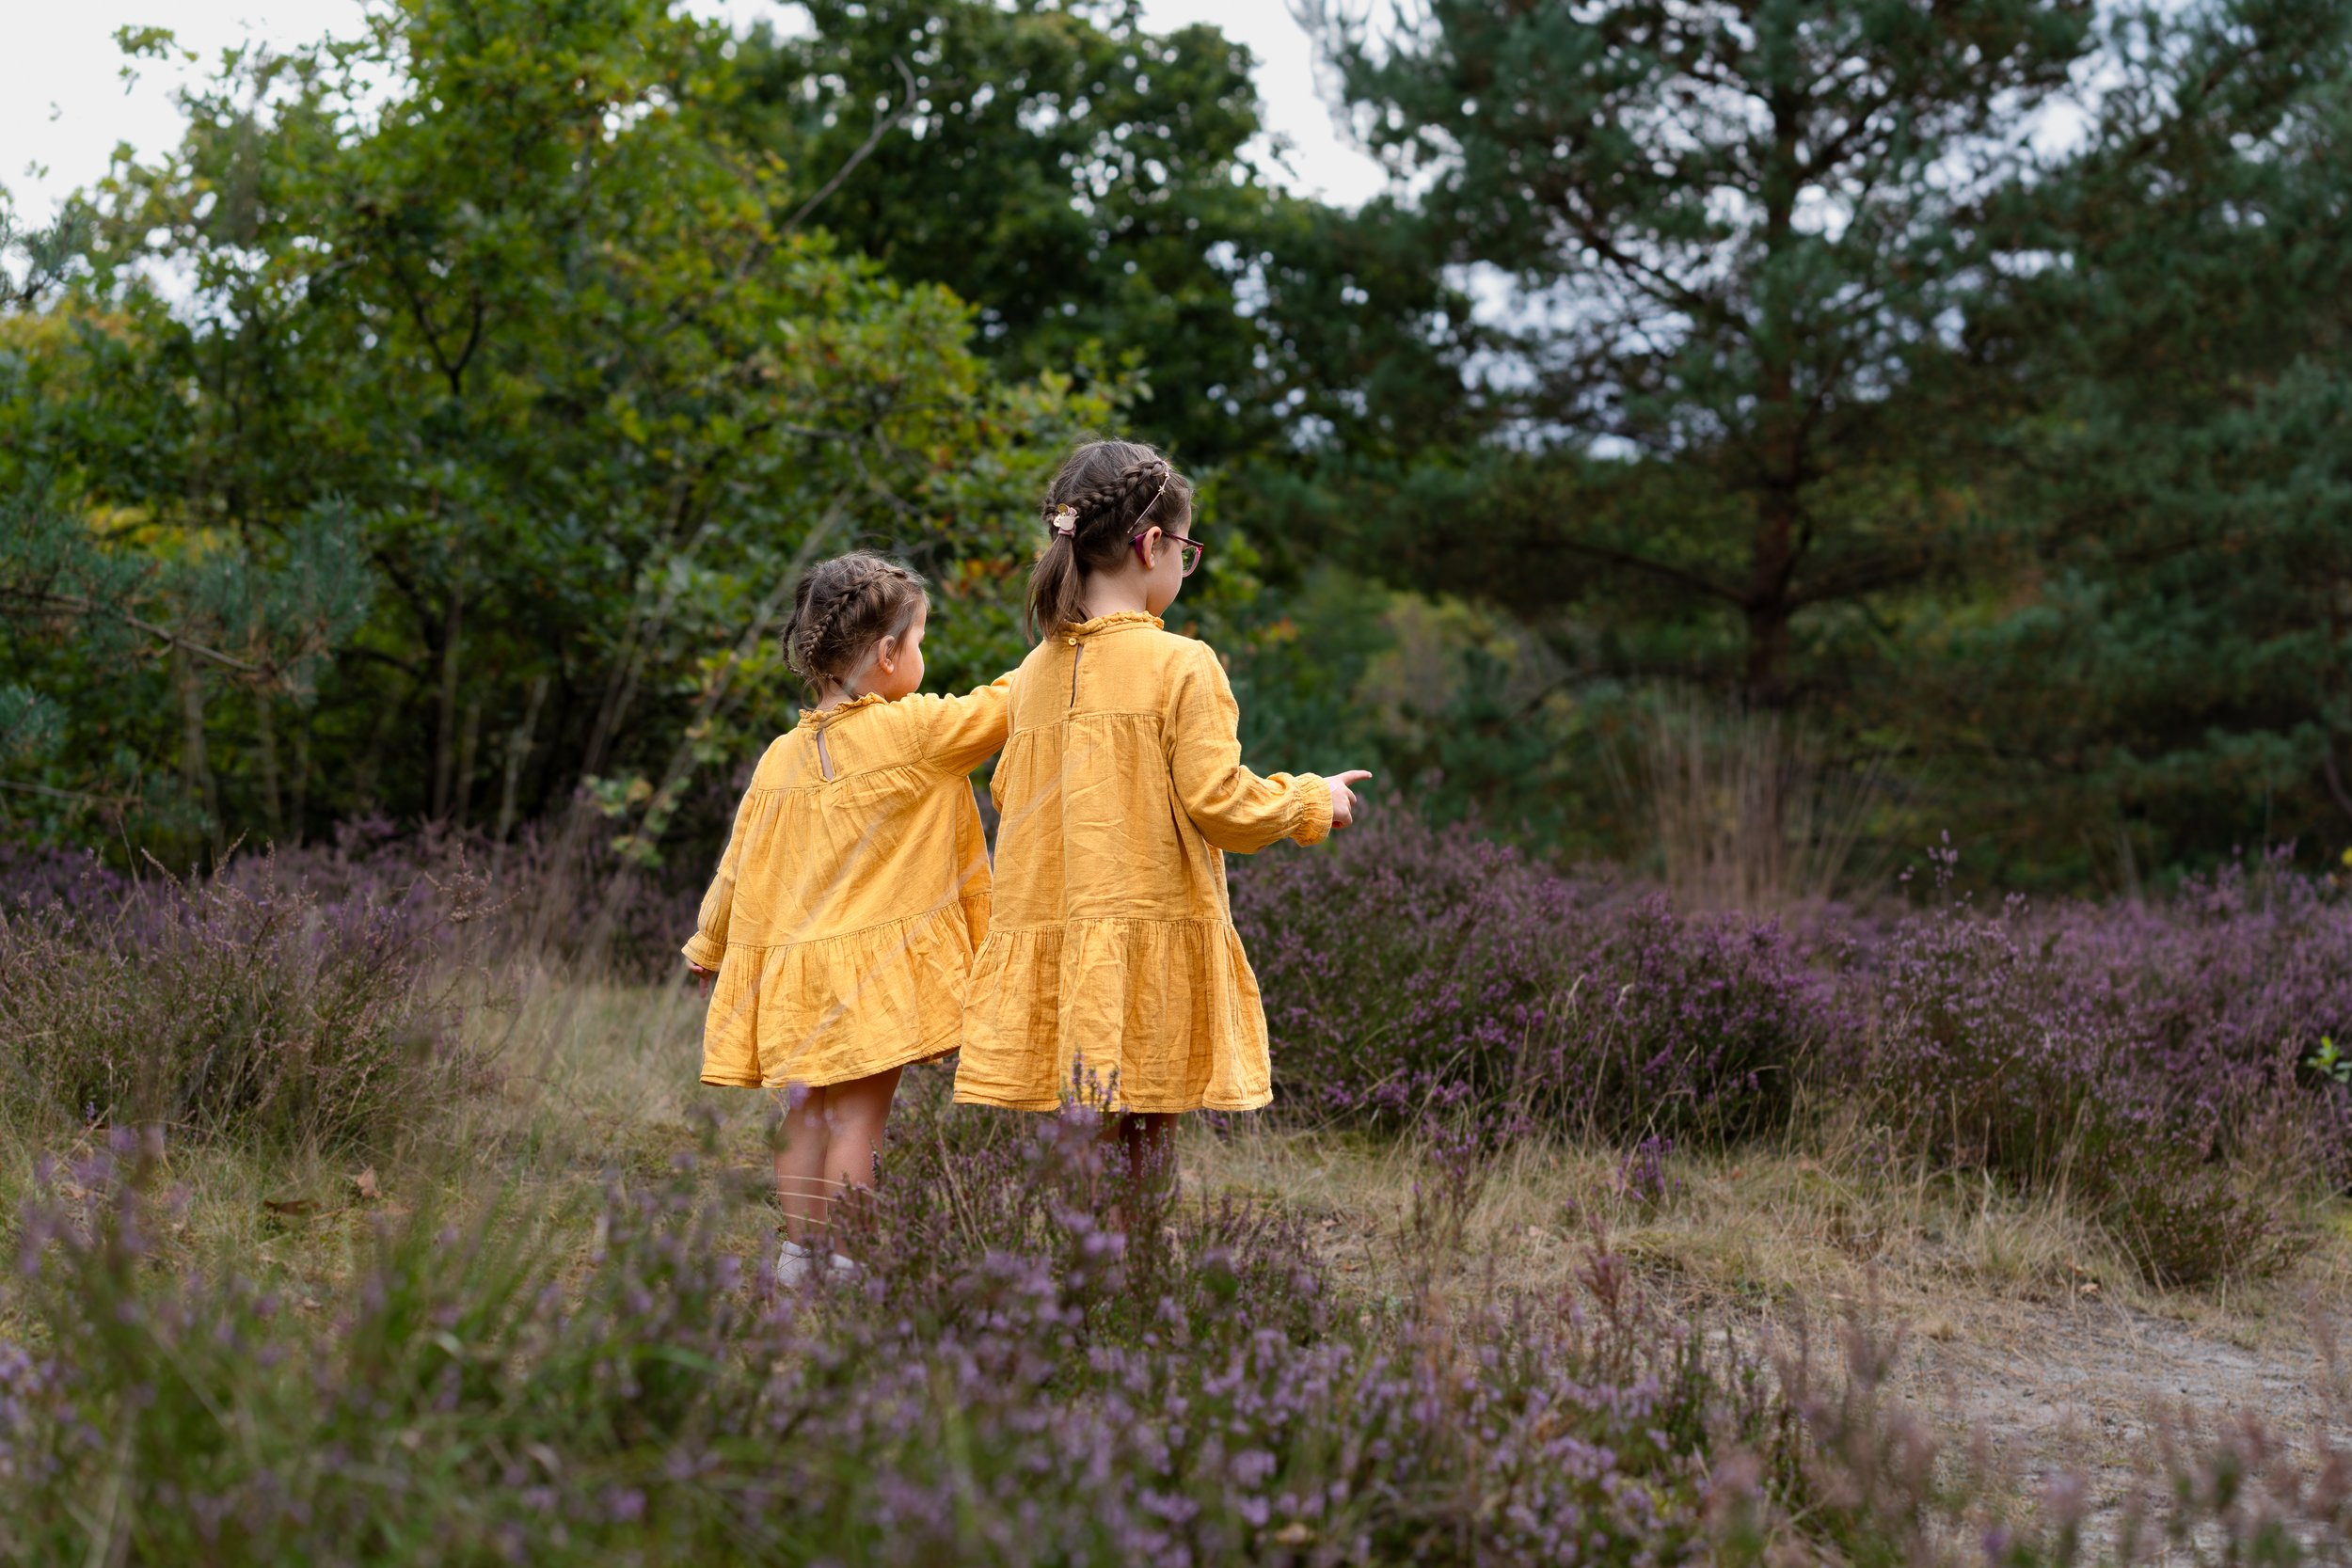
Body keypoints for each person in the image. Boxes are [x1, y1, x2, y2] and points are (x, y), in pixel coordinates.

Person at [953, 439, 1371, 1195]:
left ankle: (1072, 1285)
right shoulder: (1184, 663)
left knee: (1075, 1131)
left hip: (1058, 938)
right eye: (1187, 548)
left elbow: (1010, 795)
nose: (1185, 563)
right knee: (1145, 1134)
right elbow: (1222, 804)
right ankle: (1131, 1291)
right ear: (1152, 545)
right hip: (1145, 935)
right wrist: (1314, 798)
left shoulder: (1034, 671)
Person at [684, 551, 1009, 1285]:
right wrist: (1070, 639)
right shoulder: (918, 731)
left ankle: (799, 1258)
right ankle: (852, 1263)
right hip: (874, 981)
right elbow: (1003, 703)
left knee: (806, 1117)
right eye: (919, 641)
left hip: (794, 979)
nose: (922, 656)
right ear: (889, 653)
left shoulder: (778, 758)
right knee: (860, 1123)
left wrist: (710, 943)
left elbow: (736, 865)